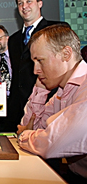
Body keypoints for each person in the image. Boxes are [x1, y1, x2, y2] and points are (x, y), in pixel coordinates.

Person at [17, 24, 87, 183]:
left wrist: (23, 135)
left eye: (40, 60)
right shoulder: (63, 92)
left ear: (66, 54)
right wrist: (40, 89)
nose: (35, 70)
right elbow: (32, 126)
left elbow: (50, 143)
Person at [6, 0, 69, 132]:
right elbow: (17, 76)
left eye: (29, 1)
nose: (24, 6)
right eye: (20, 3)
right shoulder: (13, 39)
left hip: (50, 107)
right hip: (20, 110)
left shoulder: (57, 29)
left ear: (40, 3)